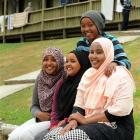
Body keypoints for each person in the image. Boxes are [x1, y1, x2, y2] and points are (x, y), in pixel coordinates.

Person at [43, 37, 135, 140]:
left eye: (99, 52)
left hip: (116, 126)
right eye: (91, 52)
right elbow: (79, 104)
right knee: (52, 136)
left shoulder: (120, 74)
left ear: (108, 53)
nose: (93, 56)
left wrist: (86, 120)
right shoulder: (88, 74)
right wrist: (74, 120)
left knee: (71, 137)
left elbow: (120, 110)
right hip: (88, 122)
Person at [8, 47, 65, 140]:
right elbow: (34, 105)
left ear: (60, 61)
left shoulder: (65, 77)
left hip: (55, 120)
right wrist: (38, 114)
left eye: (53, 60)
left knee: (26, 136)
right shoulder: (40, 77)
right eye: (46, 60)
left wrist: (51, 117)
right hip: (39, 118)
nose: (49, 63)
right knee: (13, 136)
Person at [34, 50, 91, 140]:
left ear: (82, 63)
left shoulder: (86, 83)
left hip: (77, 122)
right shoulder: (63, 83)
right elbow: (55, 109)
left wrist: (65, 121)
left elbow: (83, 110)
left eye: (73, 61)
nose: (68, 64)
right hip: (59, 122)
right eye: (66, 61)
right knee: (39, 137)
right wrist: (54, 124)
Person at [75, 10, 131, 77]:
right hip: (88, 80)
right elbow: (76, 63)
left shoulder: (111, 40)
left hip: (106, 79)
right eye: (83, 26)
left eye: (90, 25)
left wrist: (115, 63)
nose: (86, 29)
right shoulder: (81, 43)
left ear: (99, 26)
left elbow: (126, 62)